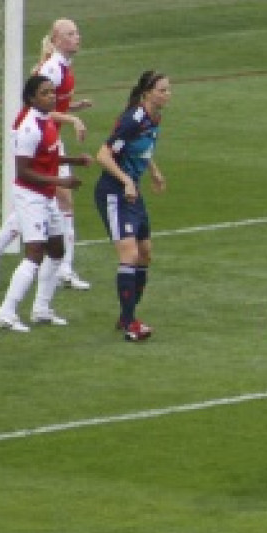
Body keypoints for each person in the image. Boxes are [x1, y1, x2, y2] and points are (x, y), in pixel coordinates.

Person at [0, 19, 95, 290]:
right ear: (57, 40)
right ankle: (62, 269)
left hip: (48, 135)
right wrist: (73, 120)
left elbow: (53, 103)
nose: (77, 37)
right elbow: (37, 109)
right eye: (70, 34)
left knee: (46, 202)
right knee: (52, 199)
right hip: (36, 137)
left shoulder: (64, 65)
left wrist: (74, 107)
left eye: (77, 32)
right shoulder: (52, 67)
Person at [0, 74, 92, 331]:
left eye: (52, 92)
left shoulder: (46, 121)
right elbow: (23, 171)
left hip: (46, 195)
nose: (52, 97)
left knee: (57, 250)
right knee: (35, 253)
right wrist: (61, 181)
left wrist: (74, 161)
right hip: (30, 196)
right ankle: (6, 312)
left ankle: (41, 310)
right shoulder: (29, 127)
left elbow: (47, 157)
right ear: (31, 98)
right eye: (45, 93)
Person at [92, 70, 171, 343]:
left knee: (145, 254)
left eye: (168, 90)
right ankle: (129, 323)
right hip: (114, 193)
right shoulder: (132, 119)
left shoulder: (154, 117)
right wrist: (126, 180)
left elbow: (140, 148)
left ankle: (127, 314)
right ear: (147, 93)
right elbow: (103, 155)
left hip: (131, 192)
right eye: (162, 90)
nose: (167, 95)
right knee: (130, 253)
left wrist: (154, 171)